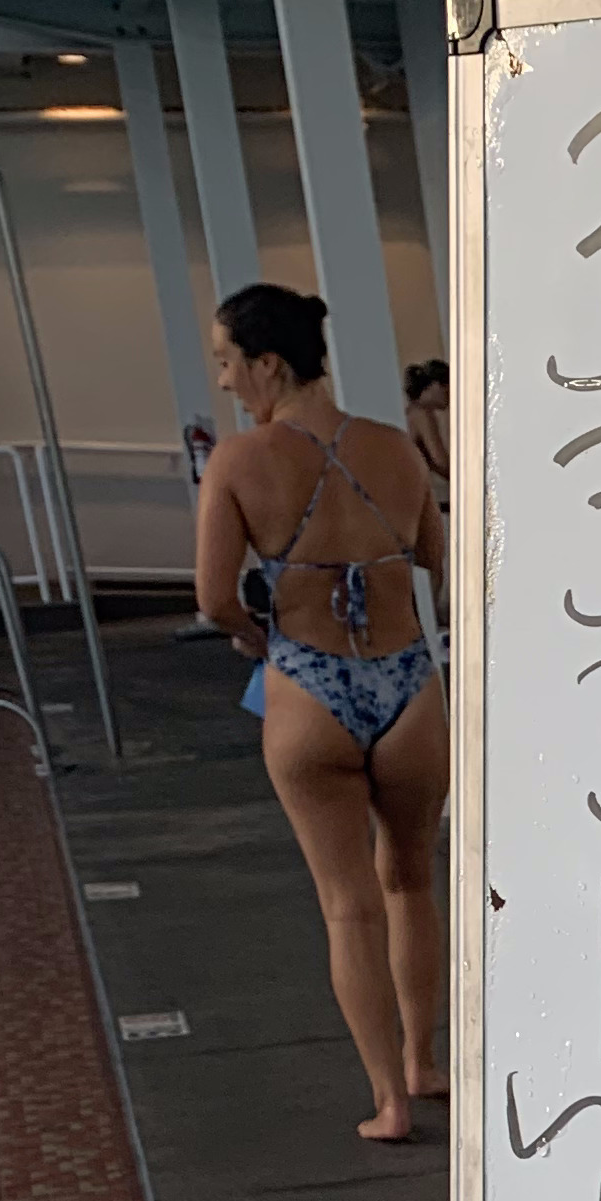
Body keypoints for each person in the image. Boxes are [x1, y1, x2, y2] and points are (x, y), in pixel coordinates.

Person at [194, 285, 448, 1142]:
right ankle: (424, 1061)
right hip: (408, 683)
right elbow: (437, 560)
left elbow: (213, 598)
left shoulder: (239, 462)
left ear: (268, 364)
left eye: (227, 361)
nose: (224, 381)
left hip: (308, 687)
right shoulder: (394, 448)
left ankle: (388, 1102)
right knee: (411, 879)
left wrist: (259, 639)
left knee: (348, 905)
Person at [405, 356, 452, 490]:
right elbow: (441, 461)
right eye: (447, 390)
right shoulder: (422, 414)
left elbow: (432, 462)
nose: (450, 396)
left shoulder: (411, 412)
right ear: (435, 385)